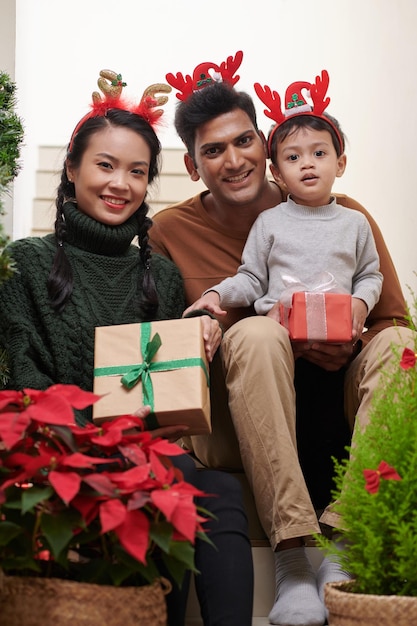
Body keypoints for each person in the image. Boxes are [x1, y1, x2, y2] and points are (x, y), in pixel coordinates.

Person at [150, 52, 415, 626]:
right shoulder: (170, 231)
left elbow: (395, 324)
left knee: (397, 349)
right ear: (194, 168)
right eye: (212, 151)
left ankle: (346, 536)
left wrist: (352, 335)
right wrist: (211, 317)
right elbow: (169, 345)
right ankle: (293, 554)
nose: (234, 159)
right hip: (251, 400)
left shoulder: (347, 217)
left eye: (244, 141)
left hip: (336, 398)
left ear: (264, 148)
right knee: (256, 333)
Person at [0, 69, 254, 626]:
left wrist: (199, 341)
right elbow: (23, 388)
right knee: (156, 498)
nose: (121, 184)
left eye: (137, 172)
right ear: (72, 169)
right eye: (105, 165)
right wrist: (102, 427)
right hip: (63, 459)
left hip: (145, 455)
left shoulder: (160, 277)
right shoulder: (25, 265)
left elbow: (171, 392)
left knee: (213, 493)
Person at [185, 69, 383, 349]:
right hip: (279, 342)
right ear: (276, 171)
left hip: (339, 339)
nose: (307, 164)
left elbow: (369, 275)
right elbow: (251, 278)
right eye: (293, 157)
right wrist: (217, 294)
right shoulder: (269, 222)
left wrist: (361, 301)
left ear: (340, 164)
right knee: (262, 339)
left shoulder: (355, 222)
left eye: (319, 153)